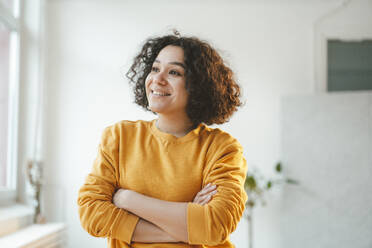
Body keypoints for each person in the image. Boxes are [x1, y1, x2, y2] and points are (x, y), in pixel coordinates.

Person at [77, 32, 248, 248]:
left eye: (174, 72)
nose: (158, 79)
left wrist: (128, 200)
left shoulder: (222, 148)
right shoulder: (119, 137)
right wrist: (185, 226)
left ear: (198, 85)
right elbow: (92, 214)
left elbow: (215, 225)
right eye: (155, 69)